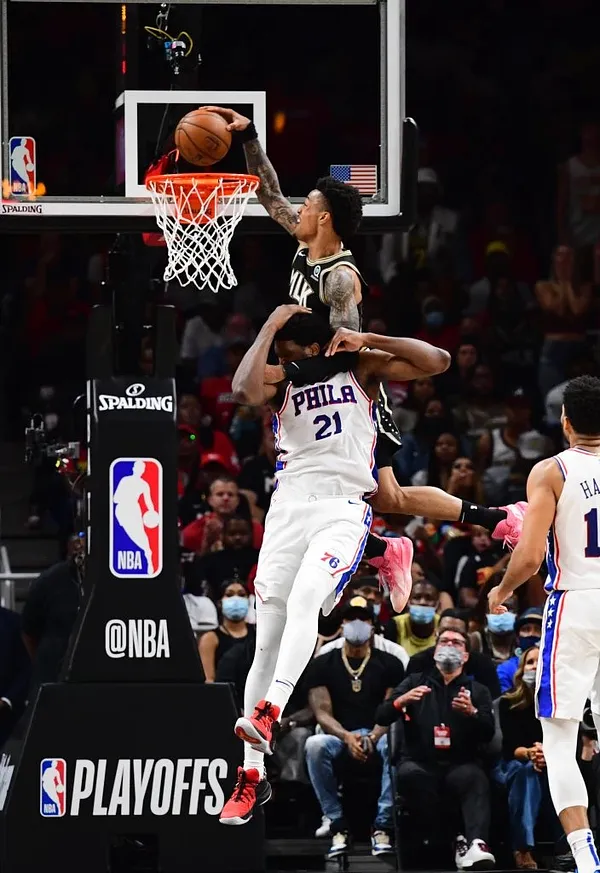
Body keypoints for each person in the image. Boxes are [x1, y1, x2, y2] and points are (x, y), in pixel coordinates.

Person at [201, 106, 524, 589]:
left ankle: (415, 541)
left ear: (325, 218)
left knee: (350, 492)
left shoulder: (339, 280)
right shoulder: (306, 242)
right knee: (386, 496)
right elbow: (268, 193)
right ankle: (483, 521)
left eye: (308, 205)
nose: (300, 209)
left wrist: (285, 377)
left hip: (347, 392)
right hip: (317, 386)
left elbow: (346, 354)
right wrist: (249, 139)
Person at [218, 305, 450, 825]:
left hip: (343, 505)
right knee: (267, 642)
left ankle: (269, 711)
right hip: (287, 508)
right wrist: (269, 325)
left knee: (307, 599)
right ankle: (251, 775)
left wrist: (368, 336)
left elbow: (437, 360)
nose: (281, 362)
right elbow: (243, 388)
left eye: (288, 354)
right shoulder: (282, 378)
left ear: (315, 349)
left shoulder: (361, 368)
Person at [489, 374, 600, 873]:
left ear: (565, 420)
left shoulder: (551, 470)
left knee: (558, 741)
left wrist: (502, 589)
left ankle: (584, 856)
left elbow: (531, 556)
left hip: (575, 602)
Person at [375, 628, 496, 869]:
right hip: (421, 761)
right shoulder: (414, 682)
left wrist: (472, 713)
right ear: (435, 651)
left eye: (457, 643)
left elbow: (488, 733)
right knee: (410, 776)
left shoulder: (478, 690)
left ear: (466, 656)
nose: (450, 645)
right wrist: (401, 701)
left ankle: (476, 843)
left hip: (460, 763)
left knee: (474, 777)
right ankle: (456, 839)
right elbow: (382, 715)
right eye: (445, 641)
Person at [304, 596, 404, 858]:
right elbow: (321, 712)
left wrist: (372, 735)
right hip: (339, 736)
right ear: (342, 623)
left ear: (372, 625)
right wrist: (347, 737)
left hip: (377, 733)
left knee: (394, 743)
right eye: (351, 619)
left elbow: (391, 707)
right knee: (314, 745)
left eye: (363, 619)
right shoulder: (323, 663)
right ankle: (337, 823)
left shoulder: (390, 662)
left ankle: (382, 826)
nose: (357, 624)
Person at [496, 646, 561, 870]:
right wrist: (532, 753)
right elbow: (509, 748)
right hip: (515, 762)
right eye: (530, 662)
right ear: (522, 669)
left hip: (552, 760)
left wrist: (546, 754)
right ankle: (523, 848)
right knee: (527, 773)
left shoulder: (558, 703)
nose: (535, 667)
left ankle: (567, 847)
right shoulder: (508, 702)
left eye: (539, 662)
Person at [407, 609, 501, 699]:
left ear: (466, 636)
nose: (450, 637)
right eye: (445, 630)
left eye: (457, 632)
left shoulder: (483, 664)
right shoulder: (418, 661)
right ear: (436, 633)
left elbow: (493, 701)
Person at [198, 581, 254, 682]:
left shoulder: (257, 633)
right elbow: (208, 680)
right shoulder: (210, 638)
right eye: (229, 595)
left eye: (241, 595)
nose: (236, 600)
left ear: (248, 601)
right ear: (220, 602)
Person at [385, 580, 440, 656]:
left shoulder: (442, 624)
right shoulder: (395, 625)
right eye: (417, 598)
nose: (422, 602)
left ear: (437, 604)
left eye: (429, 598)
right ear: (408, 602)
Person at [496, 608, 543, 694]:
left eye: (537, 629)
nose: (531, 634)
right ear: (517, 638)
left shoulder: (554, 664)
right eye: (526, 629)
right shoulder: (506, 669)